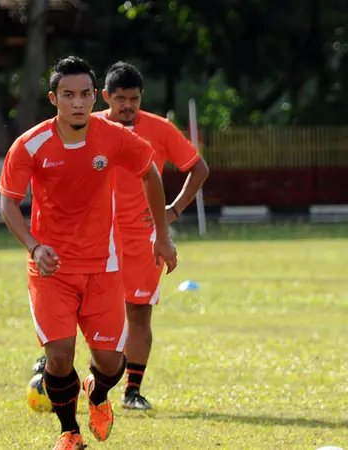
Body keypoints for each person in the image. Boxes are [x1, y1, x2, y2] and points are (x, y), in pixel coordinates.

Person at [0, 56, 177, 450]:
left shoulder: (113, 137)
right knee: (60, 358)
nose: (78, 103)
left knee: (112, 364)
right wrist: (34, 245)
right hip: (52, 269)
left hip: (104, 267)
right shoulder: (30, 145)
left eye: (84, 94)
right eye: (68, 95)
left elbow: (150, 172)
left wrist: (162, 237)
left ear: (95, 97)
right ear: (54, 98)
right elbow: (9, 204)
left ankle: (97, 394)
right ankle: (70, 432)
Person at [98, 61, 209, 409]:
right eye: (120, 99)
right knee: (87, 308)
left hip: (142, 238)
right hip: (95, 236)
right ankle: (66, 372)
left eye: (134, 98)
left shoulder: (159, 129)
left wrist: (172, 211)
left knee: (138, 313)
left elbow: (199, 168)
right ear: (106, 97)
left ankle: (132, 391)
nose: (128, 106)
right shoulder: (89, 126)